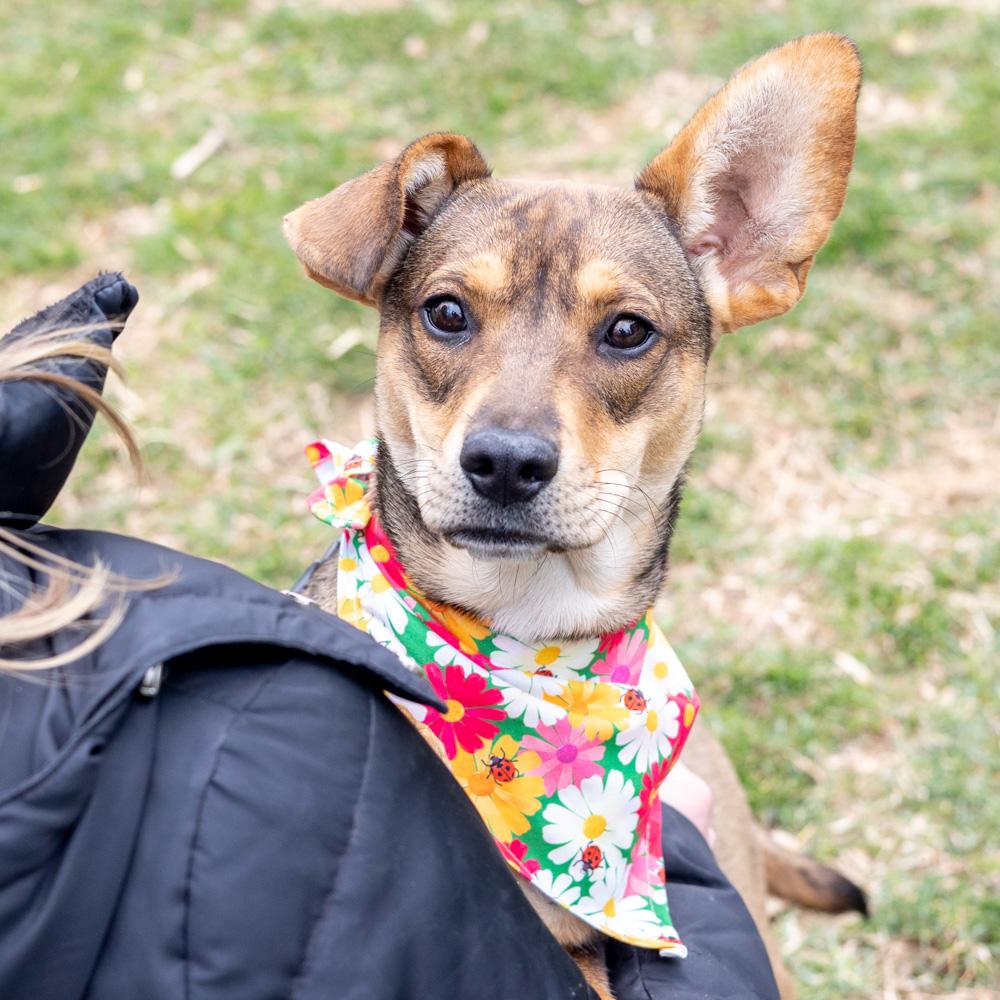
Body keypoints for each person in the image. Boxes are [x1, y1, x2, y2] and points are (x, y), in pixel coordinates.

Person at [0, 275, 780, 1000]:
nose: (509, 440)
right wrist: (691, 874)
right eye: (449, 315)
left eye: (625, 331)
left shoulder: (649, 710)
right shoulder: (297, 719)